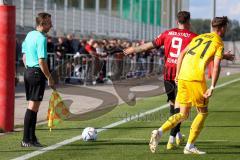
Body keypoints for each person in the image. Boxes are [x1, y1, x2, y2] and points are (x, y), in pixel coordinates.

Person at [148, 16, 230, 154]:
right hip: (196, 79)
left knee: (183, 114)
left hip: (183, 77)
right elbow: (216, 67)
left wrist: (178, 75)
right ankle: (189, 146)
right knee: (202, 112)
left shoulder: (200, 37)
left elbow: (181, 55)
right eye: (226, 27)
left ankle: (160, 131)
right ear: (222, 29)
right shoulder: (219, 42)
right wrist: (212, 87)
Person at [124, 11, 197, 149]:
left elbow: (148, 46)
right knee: (181, 109)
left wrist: (133, 49)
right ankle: (170, 139)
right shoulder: (193, 37)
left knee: (173, 104)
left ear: (177, 22)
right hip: (181, 74)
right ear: (188, 22)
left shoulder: (167, 33)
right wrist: (224, 56)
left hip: (168, 74)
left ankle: (177, 135)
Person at [21, 12, 55, 147]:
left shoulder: (30, 35)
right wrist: (49, 77)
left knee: (33, 107)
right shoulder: (41, 38)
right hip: (36, 72)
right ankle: (25, 139)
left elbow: (24, 55)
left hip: (28, 71)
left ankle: (32, 138)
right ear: (42, 23)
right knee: (32, 107)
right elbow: (42, 61)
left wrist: (29, 69)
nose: (51, 25)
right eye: (49, 23)